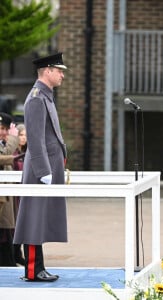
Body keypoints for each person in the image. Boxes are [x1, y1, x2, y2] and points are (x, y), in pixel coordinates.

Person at [13, 52, 68, 282]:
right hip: (40, 169)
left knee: (41, 218)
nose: (62, 74)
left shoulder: (45, 95)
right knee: (35, 219)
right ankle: (33, 270)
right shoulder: (37, 97)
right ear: (47, 71)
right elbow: (35, 139)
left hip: (46, 167)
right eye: (59, 70)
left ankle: (38, 267)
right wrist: (44, 171)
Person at [0, 112, 19, 266]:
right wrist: (13, 137)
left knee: (6, 232)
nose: (5, 132)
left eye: (7, 129)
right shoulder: (6, 144)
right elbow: (5, 155)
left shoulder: (3, 143)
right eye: (2, 128)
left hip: (6, 196)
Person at [12, 123, 27, 265]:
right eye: (21, 135)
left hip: (24, 193)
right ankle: (15, 253)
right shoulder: (14, 153)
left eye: (25, 136)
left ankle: (19, 252)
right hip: (15, 193)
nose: (23, 138)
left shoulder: (29, 153)